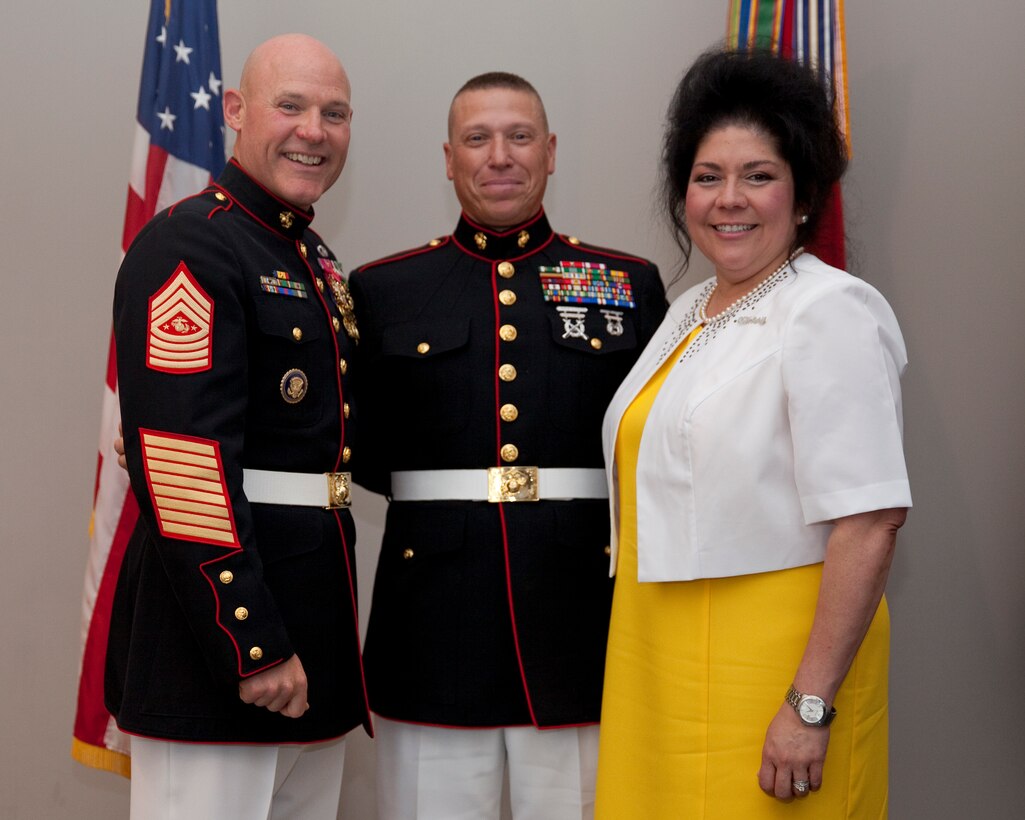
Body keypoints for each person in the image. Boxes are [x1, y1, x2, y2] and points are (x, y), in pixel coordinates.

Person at [594, 48, 912, 818]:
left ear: (802, 195)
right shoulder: (686, 311)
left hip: (774, 670)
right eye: (707, 177)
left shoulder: (828, 309)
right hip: (658, 659)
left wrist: (808, 706)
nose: (728, 199)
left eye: (757, 176)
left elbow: (868, 520)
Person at [346, 72, 667, 819]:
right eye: (477, 139)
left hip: (580, 627)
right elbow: (361, 446)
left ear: (549, 151)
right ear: (448, 157)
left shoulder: (626, 284)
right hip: (429, 624)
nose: (500, 156)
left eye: (519, 136)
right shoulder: (385, 288)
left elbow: (652, 449)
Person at [107, 34, 369, 820]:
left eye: (334, 113)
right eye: (289, 105)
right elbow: (185, 466)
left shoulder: (310, 257)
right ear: (234, 111)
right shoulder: (192, 245)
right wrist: (247, 642)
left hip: (310, 641)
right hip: (218, 654)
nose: (312, 131)